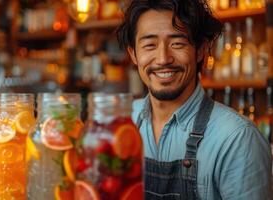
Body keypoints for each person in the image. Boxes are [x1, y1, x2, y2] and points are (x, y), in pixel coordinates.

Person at [116, 0, 272, 199]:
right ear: (133, 54)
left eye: (177, 43)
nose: (163, 58)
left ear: (200, 50)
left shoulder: (237, 138)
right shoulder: (120, 122)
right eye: (149, 45)